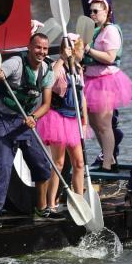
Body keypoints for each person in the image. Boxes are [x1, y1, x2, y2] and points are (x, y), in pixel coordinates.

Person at [0, 32, 57, 229]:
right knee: (2, 165)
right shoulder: (14, 63)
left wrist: (34, 117)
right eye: (38, 47)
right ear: (29, 47)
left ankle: (41, 208)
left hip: (25, 121)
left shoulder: (47, 70)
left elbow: (46, 104)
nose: (41, 52)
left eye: (45, 49)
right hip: (1, 119)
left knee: (42, 166)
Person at [83, 0, 132, 172]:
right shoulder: (93, 30)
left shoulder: (111, 31)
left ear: (106, 12)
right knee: (93, 122)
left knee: (104, 124)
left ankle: (108, 165)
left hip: (106, 81)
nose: (92, 14)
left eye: (95, 11)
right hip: (90, 80)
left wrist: (89, 50)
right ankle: (109, 157)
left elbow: (110, 57)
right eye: (90, 11)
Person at [36, 35, 88, 211]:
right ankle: (51, 203)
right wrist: (62, 59)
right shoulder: (56, 66)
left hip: (74, 119)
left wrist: (85, 119)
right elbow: (50, 80)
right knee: (58, 162)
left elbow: (83, 97)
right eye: (78, 49)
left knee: (79, 163)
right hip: (58, 118)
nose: (81, 52)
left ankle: (79, 201)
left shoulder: (78, 69)